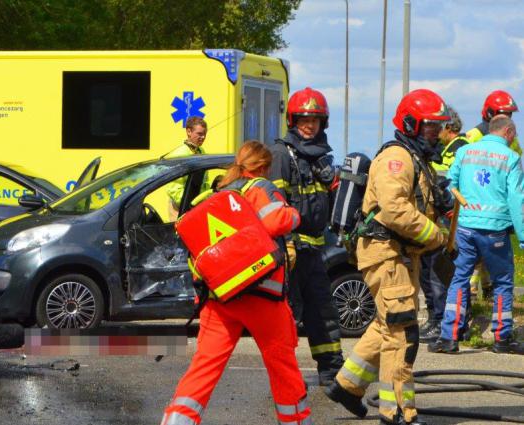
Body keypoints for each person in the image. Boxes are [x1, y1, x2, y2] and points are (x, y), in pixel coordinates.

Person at [161, 141, 310, 425]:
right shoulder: (261, 188)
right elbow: (276, 221)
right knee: (282, 366)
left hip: (220, 298)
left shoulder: (218, 193)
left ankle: (176, 422)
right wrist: (294, 214)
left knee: (204, 368)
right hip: (261, 295)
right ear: (264, 166)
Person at [325, 89, 449, 425]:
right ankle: (397, 412)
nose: (434, 135)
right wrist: (435, 236)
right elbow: (395, 210)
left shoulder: (414, 159)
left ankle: (347, 385)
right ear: (410, 125)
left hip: (399, 255)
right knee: (402, 332)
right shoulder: (397, 158)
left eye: (437, 129)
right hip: (387, 254)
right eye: (428, 129)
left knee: (386, 324)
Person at [268, 87, 344, 386]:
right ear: (292, 120)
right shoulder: (280, 155)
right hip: (287, 249)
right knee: (284, 317)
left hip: (313, 251)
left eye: (315, 120)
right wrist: (284, 242)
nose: (309, 125)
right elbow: (274, 205)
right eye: (303, 119)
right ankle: (282, 373)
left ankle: (331, 369)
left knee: (323, 311)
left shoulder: (323, 159)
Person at [430, 115, 524, 355]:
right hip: (495, 233)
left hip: (465, 229)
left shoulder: (466, 152)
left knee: (459, 279)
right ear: (509, 132)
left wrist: (457, 209)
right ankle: (502, 339)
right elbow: (517, 201)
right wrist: (522, 237)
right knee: (502, 283)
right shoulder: (511, 159)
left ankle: (449, 338)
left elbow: (449, 184)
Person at [464, 90, 520, 301]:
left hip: (500, 201)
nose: (508, 118)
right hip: (478, 202)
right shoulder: (473, 137)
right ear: (488, 114)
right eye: (503, 113)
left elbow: (516, 164)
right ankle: (472, 294)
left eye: (509, 114)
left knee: (491, 252)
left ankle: (486, 292)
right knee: (476, 253)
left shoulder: (510, 138)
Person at [419, 108, 468, 343]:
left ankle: (443, 320)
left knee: (441, 272)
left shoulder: (459, 147)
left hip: (449, 219)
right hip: (436, 217)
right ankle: (434, 317)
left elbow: (450, 182)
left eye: (441, 127)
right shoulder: (441, 148)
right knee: (428, 272)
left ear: (450, 128)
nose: (438, 132)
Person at [164, 116, 207, 220]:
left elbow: (205, 180)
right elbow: (173, 187)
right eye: (199, 134)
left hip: (196, 206)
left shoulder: (201, 151)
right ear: (189, 132)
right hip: (181, 208)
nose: (203, 137)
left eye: (205, 134)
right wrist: (189, 203)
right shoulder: (180, 154)